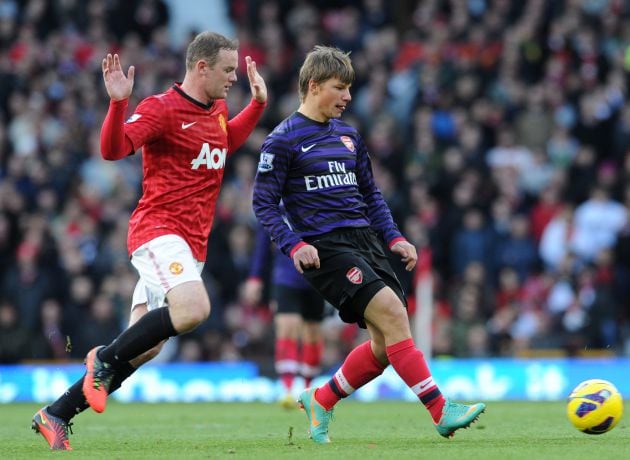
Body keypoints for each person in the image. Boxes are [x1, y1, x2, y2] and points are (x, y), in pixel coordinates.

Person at [31, 31, 268, 451]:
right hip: (159, 232)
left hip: (192, 245)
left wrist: (258, 105)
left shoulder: (216, 109)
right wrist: (119, 102)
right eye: (228, 70)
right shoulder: (160, 109)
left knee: (144, 348)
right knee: (195, 308)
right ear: (202, 67)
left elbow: (226, 141)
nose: (234, 77)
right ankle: (100, 358)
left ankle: (56, 415)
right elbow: (113, 149)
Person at [252, 45, 485, 444]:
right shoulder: (283, 140)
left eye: (349, 88)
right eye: (339, 88)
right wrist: (294, 245)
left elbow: (371, 194)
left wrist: (394, 236)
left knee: (383, 344)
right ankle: (440, 408)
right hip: (325, 248)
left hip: (366, 241)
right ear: (313, 86)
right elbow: (263, 204)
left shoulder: (348, 136)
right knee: (394, 314)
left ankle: (321, 399)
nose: (347, 97)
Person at [242, 221, 325, 408]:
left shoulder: (315, 200)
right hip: (285, 278)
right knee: (288, 328)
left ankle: (307, 390)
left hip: (318, 277)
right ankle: (287, 390)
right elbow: (262, 246)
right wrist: (255, 278)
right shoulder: (275, 208)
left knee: (312, 334)